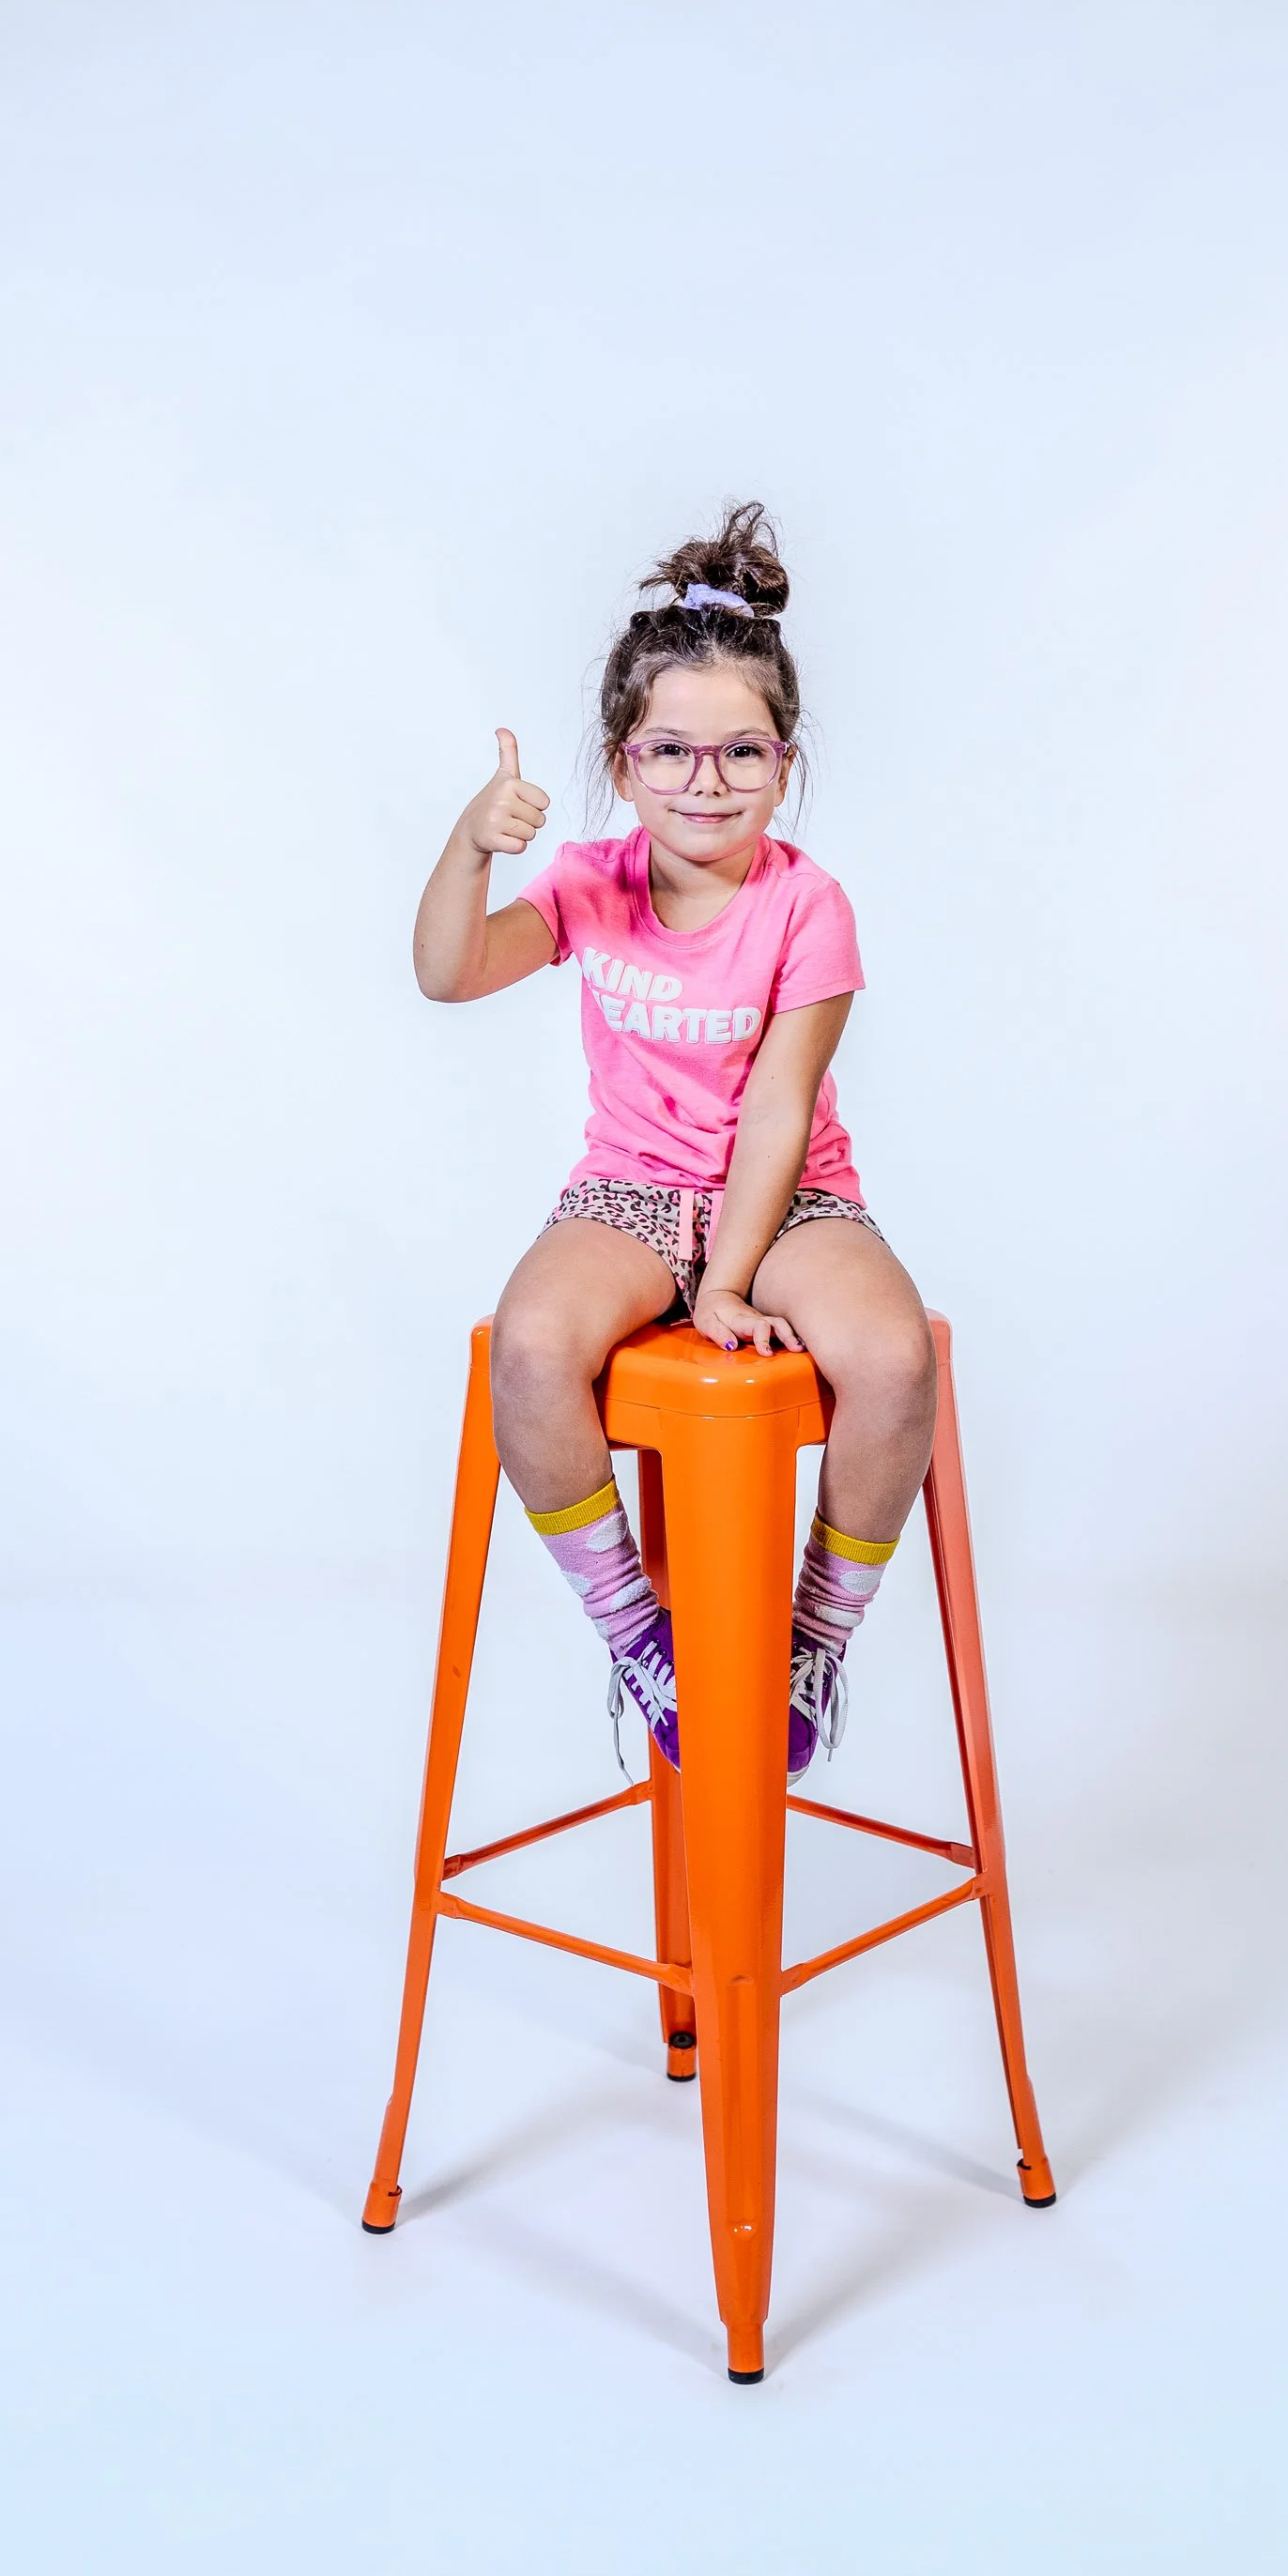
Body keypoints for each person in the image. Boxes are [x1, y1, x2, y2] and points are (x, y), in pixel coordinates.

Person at [412, 503, 936, 1782]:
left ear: (785, 764)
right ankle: (638, 1635)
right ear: (623, 761)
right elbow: (449, 972)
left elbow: (778, 1109)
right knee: (531, 1346)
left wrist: (729, 1283)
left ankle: (814, 1639)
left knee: (894, 1359)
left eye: (741, 752)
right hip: (632, 1193)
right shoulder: (590, 883)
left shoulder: (808, 907)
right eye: (672, 752)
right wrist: (469, 848)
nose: (707, 782)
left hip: (791, 1198)